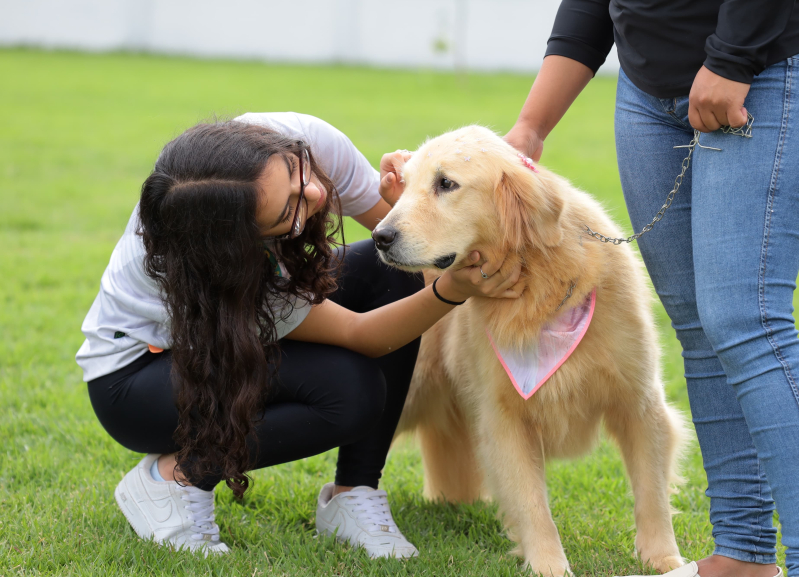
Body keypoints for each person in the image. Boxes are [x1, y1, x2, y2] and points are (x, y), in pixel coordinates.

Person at [504, 0, 799, 576]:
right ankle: (742, 555)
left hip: (770, 70)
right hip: (648, 95)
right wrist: (531, 127)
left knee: (746, 321)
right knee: (699, 326)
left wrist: (730, 58)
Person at [77, 112, 521, 557]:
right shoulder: (226, 262)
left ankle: (354, 493)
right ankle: (177, 477)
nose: (313, 192)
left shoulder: (303, 140)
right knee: (351, 392)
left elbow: (410, 244)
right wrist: (452, 292)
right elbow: (361, 334)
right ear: (246, 239)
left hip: (223, 333)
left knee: (389, 272)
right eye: (287, 213)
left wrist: (400, 201)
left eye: (294, 171)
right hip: (136, 383)